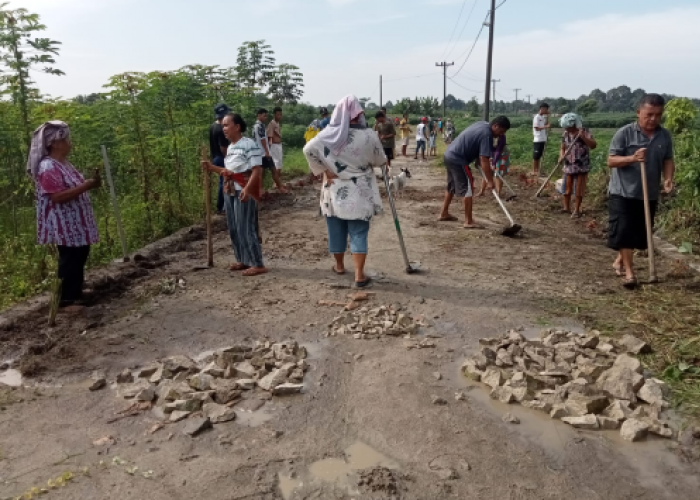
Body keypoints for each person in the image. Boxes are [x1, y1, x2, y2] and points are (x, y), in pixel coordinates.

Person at [303, 95, 385, 289]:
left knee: (335, 229)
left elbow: (308, 150)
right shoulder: (369, 135)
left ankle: (339, 266)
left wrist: (324, 169)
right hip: (359, 190)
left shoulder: (326, 135)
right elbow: (379, 160)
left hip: (334, 189)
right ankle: (358, 275)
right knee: (358, 232)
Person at [27, 121, 101, 312]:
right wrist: (87, 186)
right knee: (69, 258)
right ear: (56, 143)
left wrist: (88, 183)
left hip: (76, 222)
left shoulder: (63, 164)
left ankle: (75, 292)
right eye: (66, 138)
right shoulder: (48, 167)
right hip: (64, 223)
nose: (70, 142)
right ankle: (66, 301)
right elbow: (57, 197)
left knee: (80, 254)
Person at [607, 93, 675, 289]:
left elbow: (668, 160)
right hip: (623, 192)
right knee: (625, 230)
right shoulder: (624, 133)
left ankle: (620, 260)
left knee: (639, 234)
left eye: (658, 115)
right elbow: (611, 160)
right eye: (649, 114)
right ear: (638, 112)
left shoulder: (664, 135)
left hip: (648, 192)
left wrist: (668, 178)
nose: (653, 119)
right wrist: (632, 158)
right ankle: (630, 274)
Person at [201, 113, 267, 277]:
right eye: (223, 125)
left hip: (243, 189)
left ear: (237, 127)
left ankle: (257, 263)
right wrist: (211, 167)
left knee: (246, 226)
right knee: (234, 226)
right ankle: (243, 259)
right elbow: (229, 172)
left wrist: (247, 189)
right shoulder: (230, 147)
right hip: (230, 190)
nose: (223, 129)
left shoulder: (249, 144)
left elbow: (256, 170)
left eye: (226, 125)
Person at [438, 116, 511, 228]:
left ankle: (444, 213)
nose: (501, 134)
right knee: (468, 188)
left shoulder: (482, 124)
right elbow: (484, 159)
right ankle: (468, 221)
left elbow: (475, 142)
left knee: (451, 186)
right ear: (495, 126)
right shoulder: (487, 135)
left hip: (449, 155)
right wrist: (490, 181)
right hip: (459, 159)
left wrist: (477, 159)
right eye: (501, 131)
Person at [559, 113, 597, 217]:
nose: (567, 129)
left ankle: (577, 210)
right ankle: (566, 208)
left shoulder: (584, 131)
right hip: (568, 165)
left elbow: (593, 145)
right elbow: (562, 147)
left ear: (575, 124)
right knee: (566, 188)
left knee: (578, 190)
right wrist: (561, 156)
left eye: (569, 127)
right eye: (566, 128)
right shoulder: (565, 134)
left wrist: (583, 137)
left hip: (581, 166)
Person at [210, 103, 231, 215]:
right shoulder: (221, 129)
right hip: (222, 157)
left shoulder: (213, 126)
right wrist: (229, 158)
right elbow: (223, 148)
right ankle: (221, 207)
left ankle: (221, 206)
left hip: (215, 157)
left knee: (222, 181)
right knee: (224, 181)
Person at [477, 133, 510, 198]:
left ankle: (498, 193)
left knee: (498, 175)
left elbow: (498, 151)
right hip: (491, 154)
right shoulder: (487, 136)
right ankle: (481, 191)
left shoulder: (502, 136)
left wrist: (494, 163)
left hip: (502, 155)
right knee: (486, 172)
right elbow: (487, 149)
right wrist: (490, 158)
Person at [267, 107, 289, 194]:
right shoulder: (271, 124)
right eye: (278, 114)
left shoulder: (277, 123)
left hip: (279, 145)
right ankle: (275, 183)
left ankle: (277, 182)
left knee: (279, 164)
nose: (280, 116)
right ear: (274, 114)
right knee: (276, 164)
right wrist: (268, 148)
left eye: (281, 114)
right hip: (274, 146)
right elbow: (269, 136)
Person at [532, 102, 551, 177]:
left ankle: (537, 170)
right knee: (536, 156)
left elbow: (546, 124)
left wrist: (548, 116)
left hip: (543, 138)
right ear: (542, 109)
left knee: (539, 155)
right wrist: (546, 127)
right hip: (538, 139)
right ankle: (534, 171)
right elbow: (536, 128)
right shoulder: (536, 117)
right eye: (546, 109)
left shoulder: (543, 117)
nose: (546, 111)